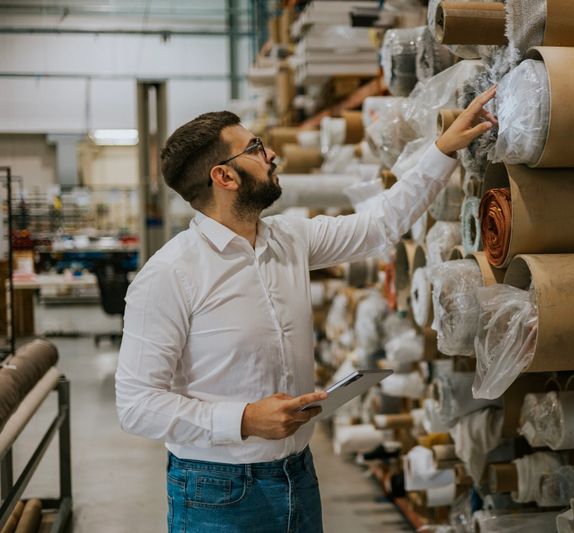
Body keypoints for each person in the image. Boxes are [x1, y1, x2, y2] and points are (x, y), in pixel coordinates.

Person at [115, 86, 497, 533]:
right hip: (216, 488)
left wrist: (442, 150)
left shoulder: (288, 240)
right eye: (255, 148)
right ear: (224, 177)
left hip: (296, 471)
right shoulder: (169, 275)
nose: (272, 153)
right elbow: (137, 405)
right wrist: (244, 419)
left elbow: (380, 224)